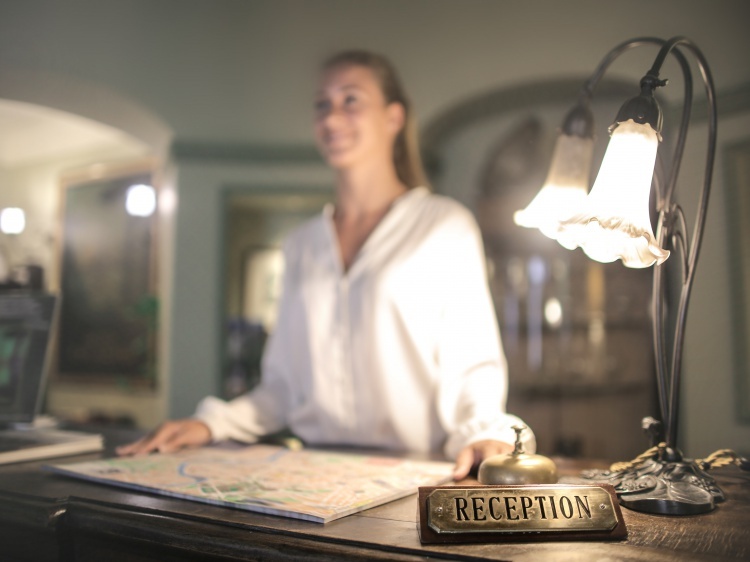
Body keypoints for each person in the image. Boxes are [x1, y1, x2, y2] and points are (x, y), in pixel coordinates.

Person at [117, 49, 535, 480]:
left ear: (394, 117)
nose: (332, 118)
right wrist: (211, 424)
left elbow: (471, 363)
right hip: (312, 474)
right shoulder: (301, 245)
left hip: (413, 472)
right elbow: (282, 387)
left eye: (351, 100)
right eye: (322, 104)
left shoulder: (442, 224)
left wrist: (484, 432)